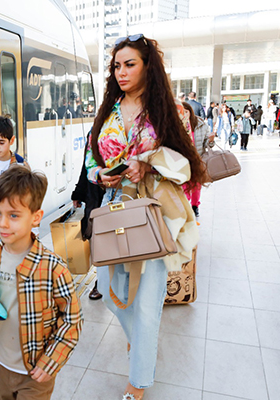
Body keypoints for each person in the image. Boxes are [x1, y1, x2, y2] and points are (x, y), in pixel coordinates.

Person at [85, 35, 207, 400]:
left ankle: (138, 382)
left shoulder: (170, 110)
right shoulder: (109, 110)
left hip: (154, 212)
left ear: (147, 66)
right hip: (114, 207)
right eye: (116, 66)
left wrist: (149, 164)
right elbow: (91, 160)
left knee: (148, 300)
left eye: (130, 64)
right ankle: (141, 341)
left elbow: (187, 165)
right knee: (110, 292)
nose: (121, 72)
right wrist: (99, 174)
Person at [0, 165, 83, 400]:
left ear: (36, 217)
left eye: (13, 215)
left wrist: (51, 361)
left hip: (36, 372)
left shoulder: (53, 268)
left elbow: (72, 320)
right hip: (0, 363)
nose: (2, 223)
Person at [71, 134, 106, 300]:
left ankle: (117, 280)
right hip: (96, 195)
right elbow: (86, 166)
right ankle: (102, 281)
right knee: (98, 240)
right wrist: (78, 193)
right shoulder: (95, 131)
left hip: (121, 194)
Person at [182, 101, 214, 216]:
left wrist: (211, 140)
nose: (184, 114)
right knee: (184, 184)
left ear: (190, 111)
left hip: (197, 160)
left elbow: (207, 145)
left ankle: (195, 206)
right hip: (182, 161)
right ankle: (185, 205)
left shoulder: (201, 125)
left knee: (196, 185)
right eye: (181, 112)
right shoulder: (177, 126)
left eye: (186, 111)